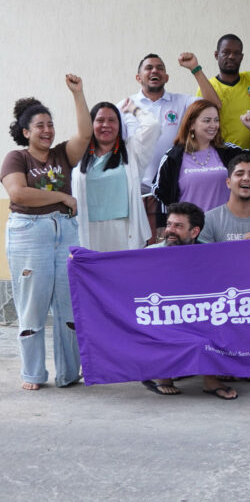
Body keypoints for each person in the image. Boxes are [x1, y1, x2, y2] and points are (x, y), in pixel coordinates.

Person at [2, 76, 91, 390]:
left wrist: (78, 94)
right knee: (32, 306)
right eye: (40, 125)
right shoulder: (18, 158)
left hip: (64, 233)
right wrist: (62, 197)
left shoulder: (62, 155)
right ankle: (33, 374)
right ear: (26, 132)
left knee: (68, 307)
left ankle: (69, 373)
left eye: (50, 124)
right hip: (30, 233)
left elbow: (85, 133)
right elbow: (19, 194)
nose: (47, 130)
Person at [141, 201, 238, 399]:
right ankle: (163, 376)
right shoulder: (150, 255)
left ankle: (211, 381)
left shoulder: (211, 255)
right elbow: (119, 269)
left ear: (194, 232)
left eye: (178, 226)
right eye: (169, 224)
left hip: (197, 317)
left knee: (218, 316)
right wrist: (84, 261)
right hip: (164, 317)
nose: (170, 230)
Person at [123, 52, 221, 237]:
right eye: (149, 68)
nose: (155, 71)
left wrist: (195, 69)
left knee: (169, 245)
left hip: (170, 191)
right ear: (138, 77)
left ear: (166, 77)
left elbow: (213, 104)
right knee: (140, 248)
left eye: (160, 68)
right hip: (137, 191)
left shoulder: (181, 101)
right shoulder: (126, 105)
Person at [154, 100, 250, 215]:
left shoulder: (226, 151)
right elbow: (161, 194)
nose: (213, 125)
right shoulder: (173, 157)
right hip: (190, 228)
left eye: (216, 120)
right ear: (191, 124)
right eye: (207, 120)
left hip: (225, 227)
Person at [71, 100, 159, 251]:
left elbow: (152, 126)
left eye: (112, 120)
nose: (106, 125)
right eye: (100, 120)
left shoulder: (133, 151)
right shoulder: (79, 155)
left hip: (123, 230)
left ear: (119, 125)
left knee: (124, 273)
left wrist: (133, 109)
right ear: (91, 124)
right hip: (89, 229)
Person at [204, 34, 250, 149]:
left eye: (236, 53)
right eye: (226, 52)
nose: (232, 56)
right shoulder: (208, 87)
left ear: (241, 57)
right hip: (221, 155)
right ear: (216, 55)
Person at [197, 155, 250, 242]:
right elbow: (204, 254)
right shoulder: (209, 219)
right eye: (239, 174)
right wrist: (240, 247)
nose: (246, 178)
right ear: (228, 182)